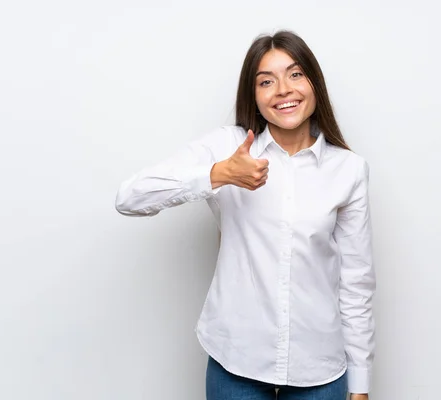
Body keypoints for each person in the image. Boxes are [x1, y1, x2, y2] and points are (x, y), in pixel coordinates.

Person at [115, 30, 376, 400]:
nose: (283, 89)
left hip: (319, 369)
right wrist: (217, 175)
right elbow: (129, 197)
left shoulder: (348, 170)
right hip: (235, 364)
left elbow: (357, 282)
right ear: (254, 96)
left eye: (295, 74)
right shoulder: (227, 147)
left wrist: (361, 384)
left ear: (314, 84)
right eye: (266, 81)